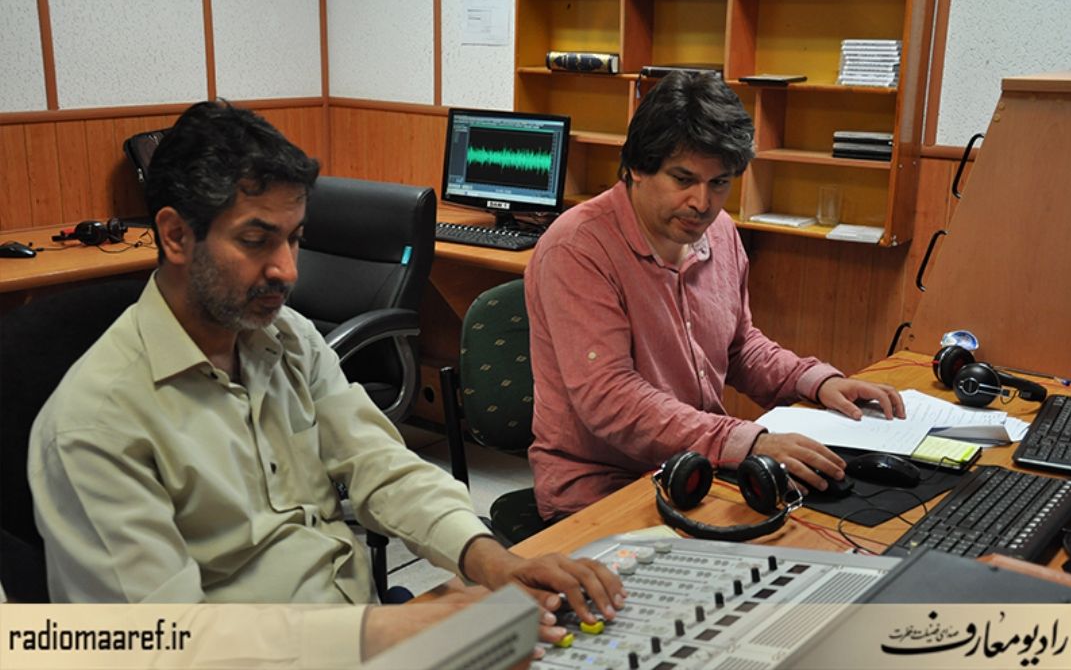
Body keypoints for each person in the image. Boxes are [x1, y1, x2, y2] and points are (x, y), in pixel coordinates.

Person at [28, 100, 624, 663]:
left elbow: (380, 465)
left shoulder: (284, 337)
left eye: (295, 239)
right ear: (176, 236)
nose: (288, 270)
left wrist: (492, 561)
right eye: (257, 241)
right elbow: (163, 645)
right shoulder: (95, 428)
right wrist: (392, 631)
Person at [525, 71, 906, 520]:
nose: (702, 203)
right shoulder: (577, 248)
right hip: (601, 487)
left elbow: (739, 346)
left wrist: (816, 382)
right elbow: (611, 400)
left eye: (719, 183)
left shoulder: (720, 231)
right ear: (636, 168)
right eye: (683, 179)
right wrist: (744, 442)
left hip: (697, 468)